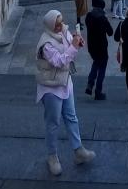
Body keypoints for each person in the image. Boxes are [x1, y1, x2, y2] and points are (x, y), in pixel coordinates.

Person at [35, 10, 96, 176]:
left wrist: (77, 41)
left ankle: (78, 150)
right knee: (53, 123)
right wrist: (74, 47)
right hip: (51, 87)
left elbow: (70, 48)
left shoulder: (63, 31)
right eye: (57, 24)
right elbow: (60, 61)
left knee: (71, 117)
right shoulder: (46, 44)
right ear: (50, 25)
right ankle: (52, 157)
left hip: (65, 82)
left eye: (61, 21)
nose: (60, 25)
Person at [84, 2, 113, 100]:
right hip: (101, 47)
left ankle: (90, 83)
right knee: (102, 68)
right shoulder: (102, 19)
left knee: (96, 62)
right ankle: (98, 92)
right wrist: (106, 20)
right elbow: (110, 32)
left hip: (91, 46)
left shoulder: (89, 16)